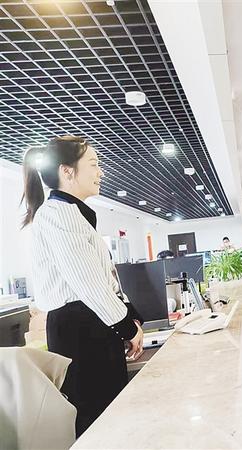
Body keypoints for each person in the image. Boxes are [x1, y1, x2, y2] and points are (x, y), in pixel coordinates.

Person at [21, 136, 144, 436]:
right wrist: (127, 328)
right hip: (79, 329)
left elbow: (103, 279)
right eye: (93, 164)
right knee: (97, 421)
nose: (100, 172)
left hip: (92, 323)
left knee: (111, 415)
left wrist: (130, 316)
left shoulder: (72, 214)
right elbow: (89, 283)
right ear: (67, 171)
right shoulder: (56, 215)